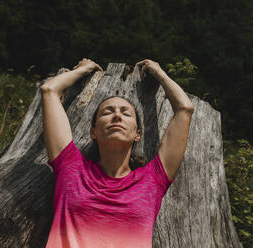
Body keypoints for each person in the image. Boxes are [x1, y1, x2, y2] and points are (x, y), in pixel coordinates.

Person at [41, 58, 194, 248]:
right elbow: (49, 91)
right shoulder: (71, 168)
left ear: (137, 134)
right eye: (107, 112)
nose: (117, 116)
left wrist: (160, 73)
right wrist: (84, 69)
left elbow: (185, 109)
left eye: (126, 113)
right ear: (93, 132)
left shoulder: (153, 179)